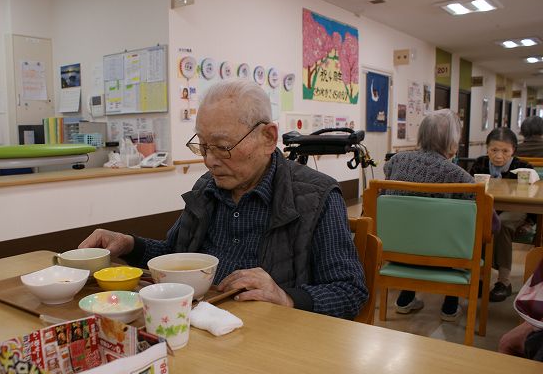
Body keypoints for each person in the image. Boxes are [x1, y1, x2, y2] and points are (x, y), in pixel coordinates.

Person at [79, 79, 367, 319]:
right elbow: (176, 255)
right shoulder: (208, 187)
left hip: (272, 338)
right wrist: (129, 244)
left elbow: (349, 290)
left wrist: (286, 297)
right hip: (201, 323)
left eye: (223, 146)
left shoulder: (317, 196)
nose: (209, 160)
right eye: (203, 146)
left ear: (268, 138)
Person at [384, 109, 474, 321]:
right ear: (452, 141)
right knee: (466, 230)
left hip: (397, 246)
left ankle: (405, 298)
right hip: (441, 253)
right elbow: (481, 221)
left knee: (414, 226)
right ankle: (450, 305)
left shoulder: (395, 161)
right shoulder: (459, 176)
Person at [470, 128, 533, 302]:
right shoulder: (480, 163)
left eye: (505, 151)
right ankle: (480, 278)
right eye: (494, 150)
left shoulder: (524, 167)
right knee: (482, 223)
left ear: (513, 150)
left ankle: (504, 282)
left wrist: (530, 221)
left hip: (515, 209)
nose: (499, 155)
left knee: (502, 224)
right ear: (487, 148)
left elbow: (532, 196)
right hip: (487, 207)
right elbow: (470, 189)